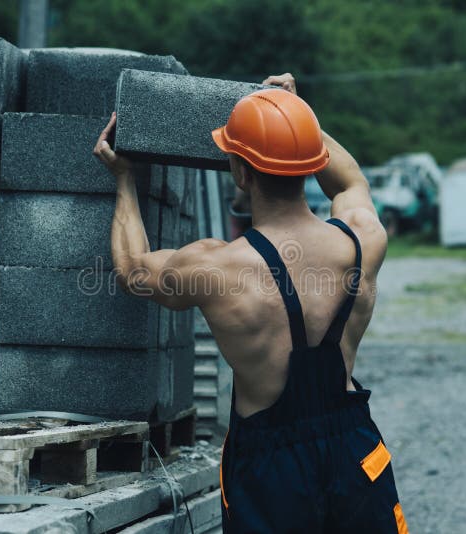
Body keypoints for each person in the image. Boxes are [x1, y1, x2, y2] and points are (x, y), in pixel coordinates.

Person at [94, 73, 407, 534]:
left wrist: (124, 179)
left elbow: (133, 270)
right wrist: (295, 118)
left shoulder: (215, 269)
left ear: (240, 171)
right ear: (310, 162)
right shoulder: (362, 239)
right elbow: (349, 181)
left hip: (272, 475)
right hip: (354, 455)